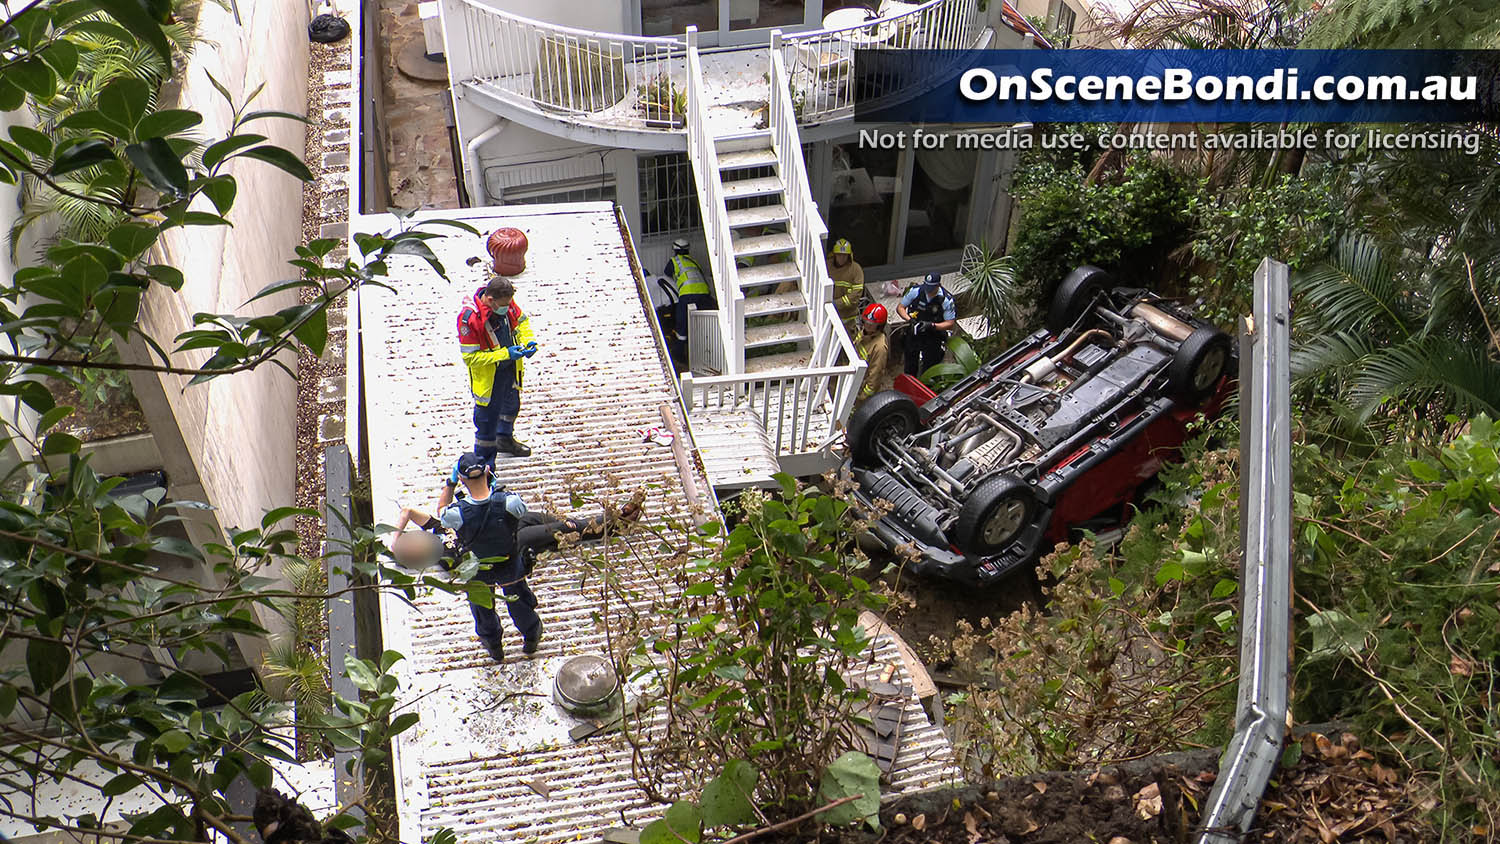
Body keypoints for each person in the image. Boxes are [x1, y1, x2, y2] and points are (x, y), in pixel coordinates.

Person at [392, 452, 644, 662]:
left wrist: (394, 541)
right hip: (501, 556)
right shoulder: (444, 559)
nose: (415, 543)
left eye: (411, 540)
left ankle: (602, 527)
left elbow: (409, 511)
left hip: (508, 532)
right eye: (412, 550)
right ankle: (611, 522)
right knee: (552, 534)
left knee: (554, 523)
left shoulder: (437, 528)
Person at [459, 275, 537, 465]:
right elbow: (471, 358)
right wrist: (505, 354)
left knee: (511, 407)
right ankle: (485, 469)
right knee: (486, 424)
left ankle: (504, 439)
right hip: (489, 379)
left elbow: (522, 320)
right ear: (491, 300)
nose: (506, 308)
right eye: (503, 305)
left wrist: (528, 341)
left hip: (510, 369)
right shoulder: (470, 319)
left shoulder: (506, 302)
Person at [897, 271, 957, 377]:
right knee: (910, 363)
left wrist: (932, 325)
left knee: (930, 367)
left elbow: (950, 323)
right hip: (915, 332)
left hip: (933, 336)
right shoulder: (916, 291)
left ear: (938, 285)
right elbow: (900, 308)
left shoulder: (945, 300)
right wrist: (909, 319)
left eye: (931, 288)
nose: (928, 291)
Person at [664, 238, 716, 350]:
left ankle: (680, 352)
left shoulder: (674, 261)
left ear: (674, 249)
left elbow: (667, 272)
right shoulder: (694, 262)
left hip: (688, 293)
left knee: (682, 321)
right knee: (704, 321)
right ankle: (707, 347)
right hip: (704, 293)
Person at [828, 238, 866, 333]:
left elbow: (855, 296)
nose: (842, 258)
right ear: (834, 254)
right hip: (829, 316)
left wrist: (836, 303)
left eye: (845, 255)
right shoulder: (827, 266)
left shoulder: (856, 270)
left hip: (848, 319)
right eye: (839, 255)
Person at [854, 303, 890, 401]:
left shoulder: (880, 347)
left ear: (879, 326)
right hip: (855, 379)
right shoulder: (864, 332)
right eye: (866, 322)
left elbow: (875, 375)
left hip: (862, 390)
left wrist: (861, 398)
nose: (868, 326)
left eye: (872, 325)